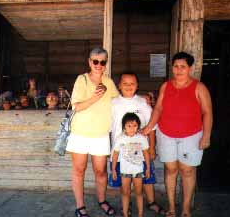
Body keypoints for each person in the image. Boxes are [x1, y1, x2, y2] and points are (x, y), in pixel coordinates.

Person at [141, 52, 213, 217]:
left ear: (190, 68)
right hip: (166, 133)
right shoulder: (166, 86)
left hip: (191, 135)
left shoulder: (199, 87)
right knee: (171, 168)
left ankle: (186, 208)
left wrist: (206, 136)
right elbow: (158, 108)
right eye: (176, 66)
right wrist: (150, 126)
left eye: (183, 66)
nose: (179, 70)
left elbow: (208, 112)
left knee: (187, 170)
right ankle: (172, 207)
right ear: (171, 67)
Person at [66, 47, 119, 217]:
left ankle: (102, 200)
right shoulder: (82, 80)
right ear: (89, 62)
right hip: (80, 134)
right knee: (79, 170)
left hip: (101, 135)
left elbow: (118, 103)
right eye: (95, 61)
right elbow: (77, 107)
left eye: (102, 62)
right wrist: (96, 96)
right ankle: (80, 207)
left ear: (106, 63)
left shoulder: (109, 82)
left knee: (101, 171)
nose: (98, 64)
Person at [109, 72, 165, 215]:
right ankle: (126, 205)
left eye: (132, 83)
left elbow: (151, 126)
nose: (129, 86)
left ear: (137, 86)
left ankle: (151, 202)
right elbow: (109, 127)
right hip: (121, 152)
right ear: (119, 86)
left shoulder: (142, 102)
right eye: (125, 83)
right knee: (124, 181)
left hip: (141, 152)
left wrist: (152, 147)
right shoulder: (113, 103)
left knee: (147, 178)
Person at [112, 113, 151, 217]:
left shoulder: (141, 138)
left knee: (139, 192)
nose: (132, 128)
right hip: (125, 171)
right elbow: (115, 154)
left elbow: (146, 153)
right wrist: (114, 169)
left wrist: (148, 168)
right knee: (125, 192)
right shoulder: (120, 139)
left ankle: (140, 214)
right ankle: (125, 213)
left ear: (138, 126)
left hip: (138, 171)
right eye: (129, 126)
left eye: (135, 125)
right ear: (124, 126)